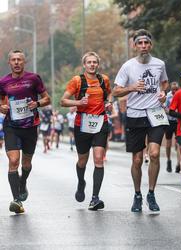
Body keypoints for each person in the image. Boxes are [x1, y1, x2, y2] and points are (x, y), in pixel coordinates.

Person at [112, 29, 168, 213]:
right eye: (140, 43)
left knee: (153, 154)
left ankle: (151, 193)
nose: (143, 46)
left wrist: (163, 93)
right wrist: (132, 87)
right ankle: (137, 194)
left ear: (151, 45)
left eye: (146, 43)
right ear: (134, 46)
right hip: (135, 115)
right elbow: (115, 91)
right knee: (137, 160)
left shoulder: (159, 64)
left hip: (155, 113)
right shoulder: (128, 66)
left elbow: (164, 82)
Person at [0, 49, 51, 214]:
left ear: (24, 62)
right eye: (13, 60)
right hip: (11, 126)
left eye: (19, 60)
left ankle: (23, 184)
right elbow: (1, 102)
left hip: (30, 126)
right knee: (14, 160)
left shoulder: (33, 78)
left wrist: (37, 104)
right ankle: (16, 200)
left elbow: (47, 98)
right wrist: (2, 107)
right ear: (9, 63)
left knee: (26, 163)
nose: (16, 62)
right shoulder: (3, 81)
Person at [61, 51, 112, 211]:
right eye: (89, 62)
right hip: (82, 124)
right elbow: (63, 101)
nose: (92, 65)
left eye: (94, 62)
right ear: (84, 64)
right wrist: (78, 102)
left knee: (98, 158)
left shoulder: (104, 79)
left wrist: (109, 103)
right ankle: (81, 181)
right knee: (82, 160)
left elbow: (109, 94)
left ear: (98, 64)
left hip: (101, 122)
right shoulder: (77, 80)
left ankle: (95, 198)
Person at [164, 81, 181, 173]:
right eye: (173, 89)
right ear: (171, 89)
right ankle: (168, 160)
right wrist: (171, 112)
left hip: (178, 121)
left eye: (176, 89)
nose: (174, 91)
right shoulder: (168, 96)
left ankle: (179, 163)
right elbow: (165, 108)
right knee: (168, 143)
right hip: (169, 121)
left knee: (178, 143)